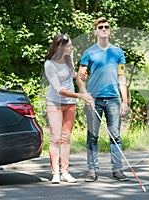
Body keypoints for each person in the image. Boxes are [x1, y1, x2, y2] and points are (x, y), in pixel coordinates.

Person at [77, 17, 129, 182]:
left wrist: (125, 101)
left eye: (107, 27)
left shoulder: (118, 52)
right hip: (94, 99)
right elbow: (80, 77)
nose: (104, 29)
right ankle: (92, 170)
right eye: (101, 27)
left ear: (110, 30)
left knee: (115, 135)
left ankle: (117, 170)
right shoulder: (89, 52)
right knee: (92, 136)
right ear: (96, 31)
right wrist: (85, 94)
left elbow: (122, 76)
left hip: (113, 99)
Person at [44, 34, 93, 184]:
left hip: (70, 103)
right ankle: (56, 173)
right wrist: (80, 96)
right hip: (55, 103)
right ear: (60, 47)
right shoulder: (49, 64)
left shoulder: (69, 57)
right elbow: (58, 89)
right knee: (55, 137)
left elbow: (71, 74)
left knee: (65, 138)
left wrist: (80, 75)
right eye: (69, 46)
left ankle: (65, 172)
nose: (72, 48)